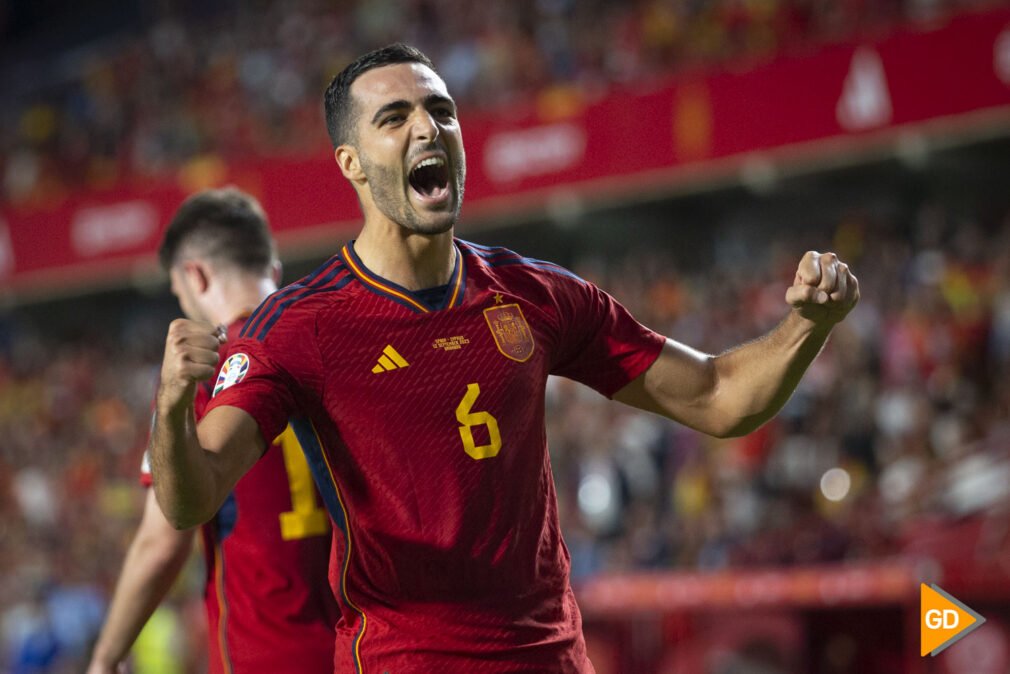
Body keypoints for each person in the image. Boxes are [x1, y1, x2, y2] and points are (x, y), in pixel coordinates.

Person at [148, 45, 860, 673]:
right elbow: (194, 496)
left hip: (550, 657)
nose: (427, 127)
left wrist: (807, 325)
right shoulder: (297, 327)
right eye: (394, 118)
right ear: (351, 163)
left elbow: (717, 396)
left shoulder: (537, 295)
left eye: (440, 110)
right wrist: (174, 407)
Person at [87, 189, 338, 674]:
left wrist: (105, 657)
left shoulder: (206, 374)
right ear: (275, 269)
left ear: (194, 275)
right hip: (367, 651)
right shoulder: (338, 351)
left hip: (262, 657)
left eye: (179, 293)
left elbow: (162, 540)